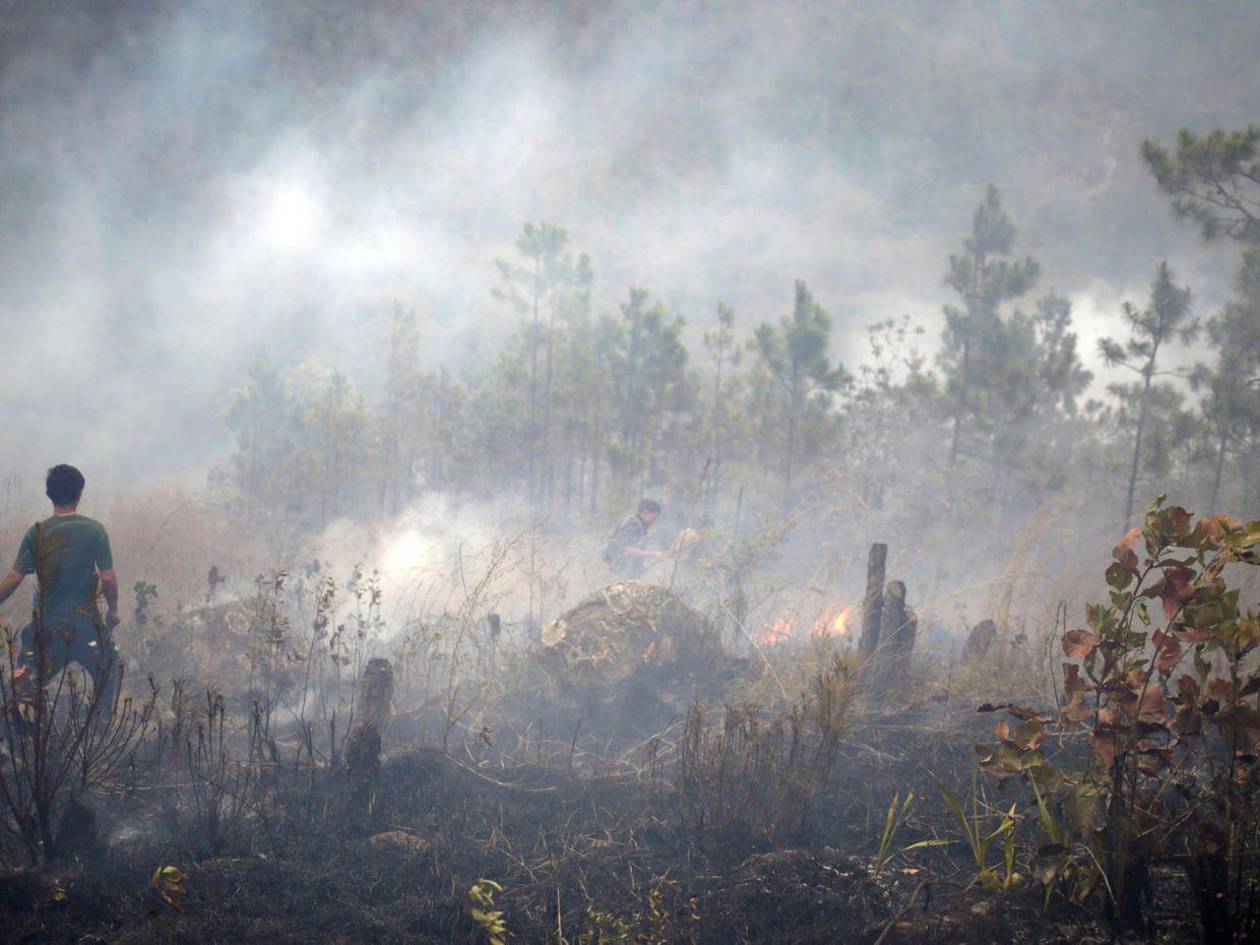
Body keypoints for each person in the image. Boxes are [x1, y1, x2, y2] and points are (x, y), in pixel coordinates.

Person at [0, 465, 121, 711]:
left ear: (49, 494)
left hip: (48, 630)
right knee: (110, 675)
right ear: (79, 494)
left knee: (25, 688)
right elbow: (108, 579)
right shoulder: (95, 530)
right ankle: (99, 730)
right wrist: (114, 610)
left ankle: (25, 738)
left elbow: (14, 578)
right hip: (87, 629)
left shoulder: (37, 533)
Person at [603, 498, 665, 578]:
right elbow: (627, 550)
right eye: (654, 518)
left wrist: (640, 568)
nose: (654, 521)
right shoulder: (633, 525)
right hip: (617, 573)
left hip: (622, 572)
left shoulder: (639, 525)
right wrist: (654, 554)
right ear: (646, 512)